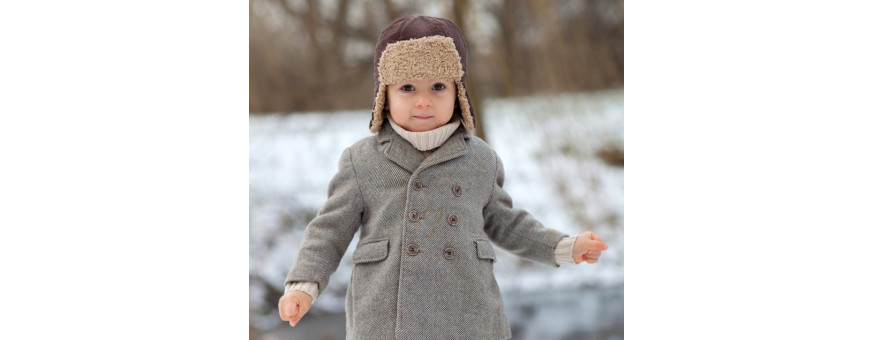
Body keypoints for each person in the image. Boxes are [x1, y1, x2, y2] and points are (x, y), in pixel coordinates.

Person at [278, 15, 609, 339]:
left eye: (438, 86)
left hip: (466, 313)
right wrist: (303, 287)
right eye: (408, 87)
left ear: (458, 93)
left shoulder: (480, 159)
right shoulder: (362, 160)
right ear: (385, 95)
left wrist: (564, 247)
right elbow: (329, 231)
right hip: (386, 319)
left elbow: (508, 223)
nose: (424, 101)